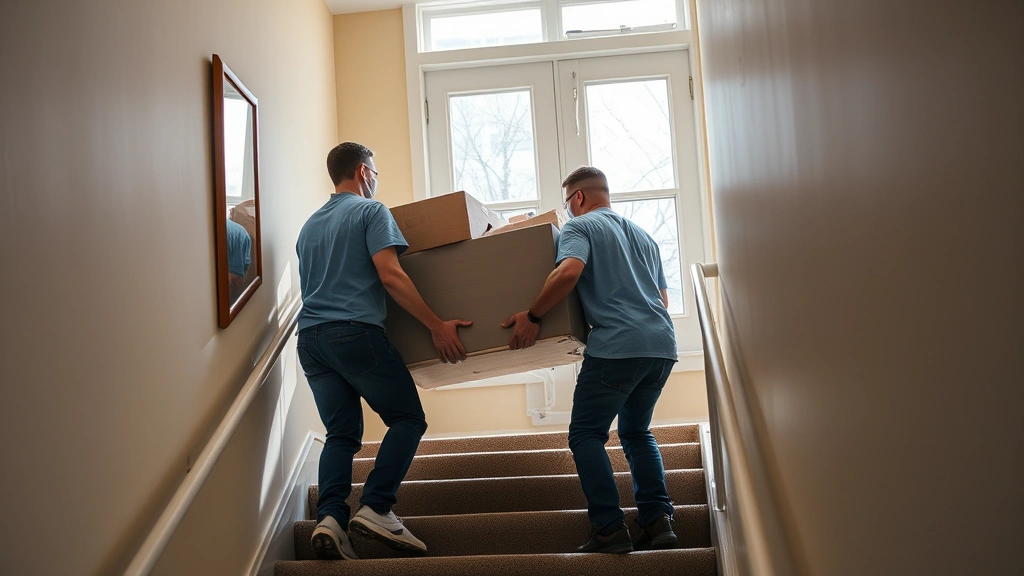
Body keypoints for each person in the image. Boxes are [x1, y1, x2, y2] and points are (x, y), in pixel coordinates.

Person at [296, 142, 472, 561]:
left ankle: (331, 518)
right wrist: (436, 326)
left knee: (341, 434)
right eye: (374, 171)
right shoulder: (371, 211)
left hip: (311, 341)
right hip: (353, 333)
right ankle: (376, 506)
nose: (376, 180)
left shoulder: (308, 227)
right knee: (408, 418)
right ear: (362, 172)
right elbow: (391, 275)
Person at [503, 166, 679, 554]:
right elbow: (663, 301)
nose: (567, 211)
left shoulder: (579, 228)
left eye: (567, 204)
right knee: (636, 432)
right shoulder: (645, 237)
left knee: (586, 434)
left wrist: (533, 316)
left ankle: (609, 529)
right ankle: (657, 520)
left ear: (577, 198)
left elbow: (568, 272)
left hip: (618, 346)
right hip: (661, 346)